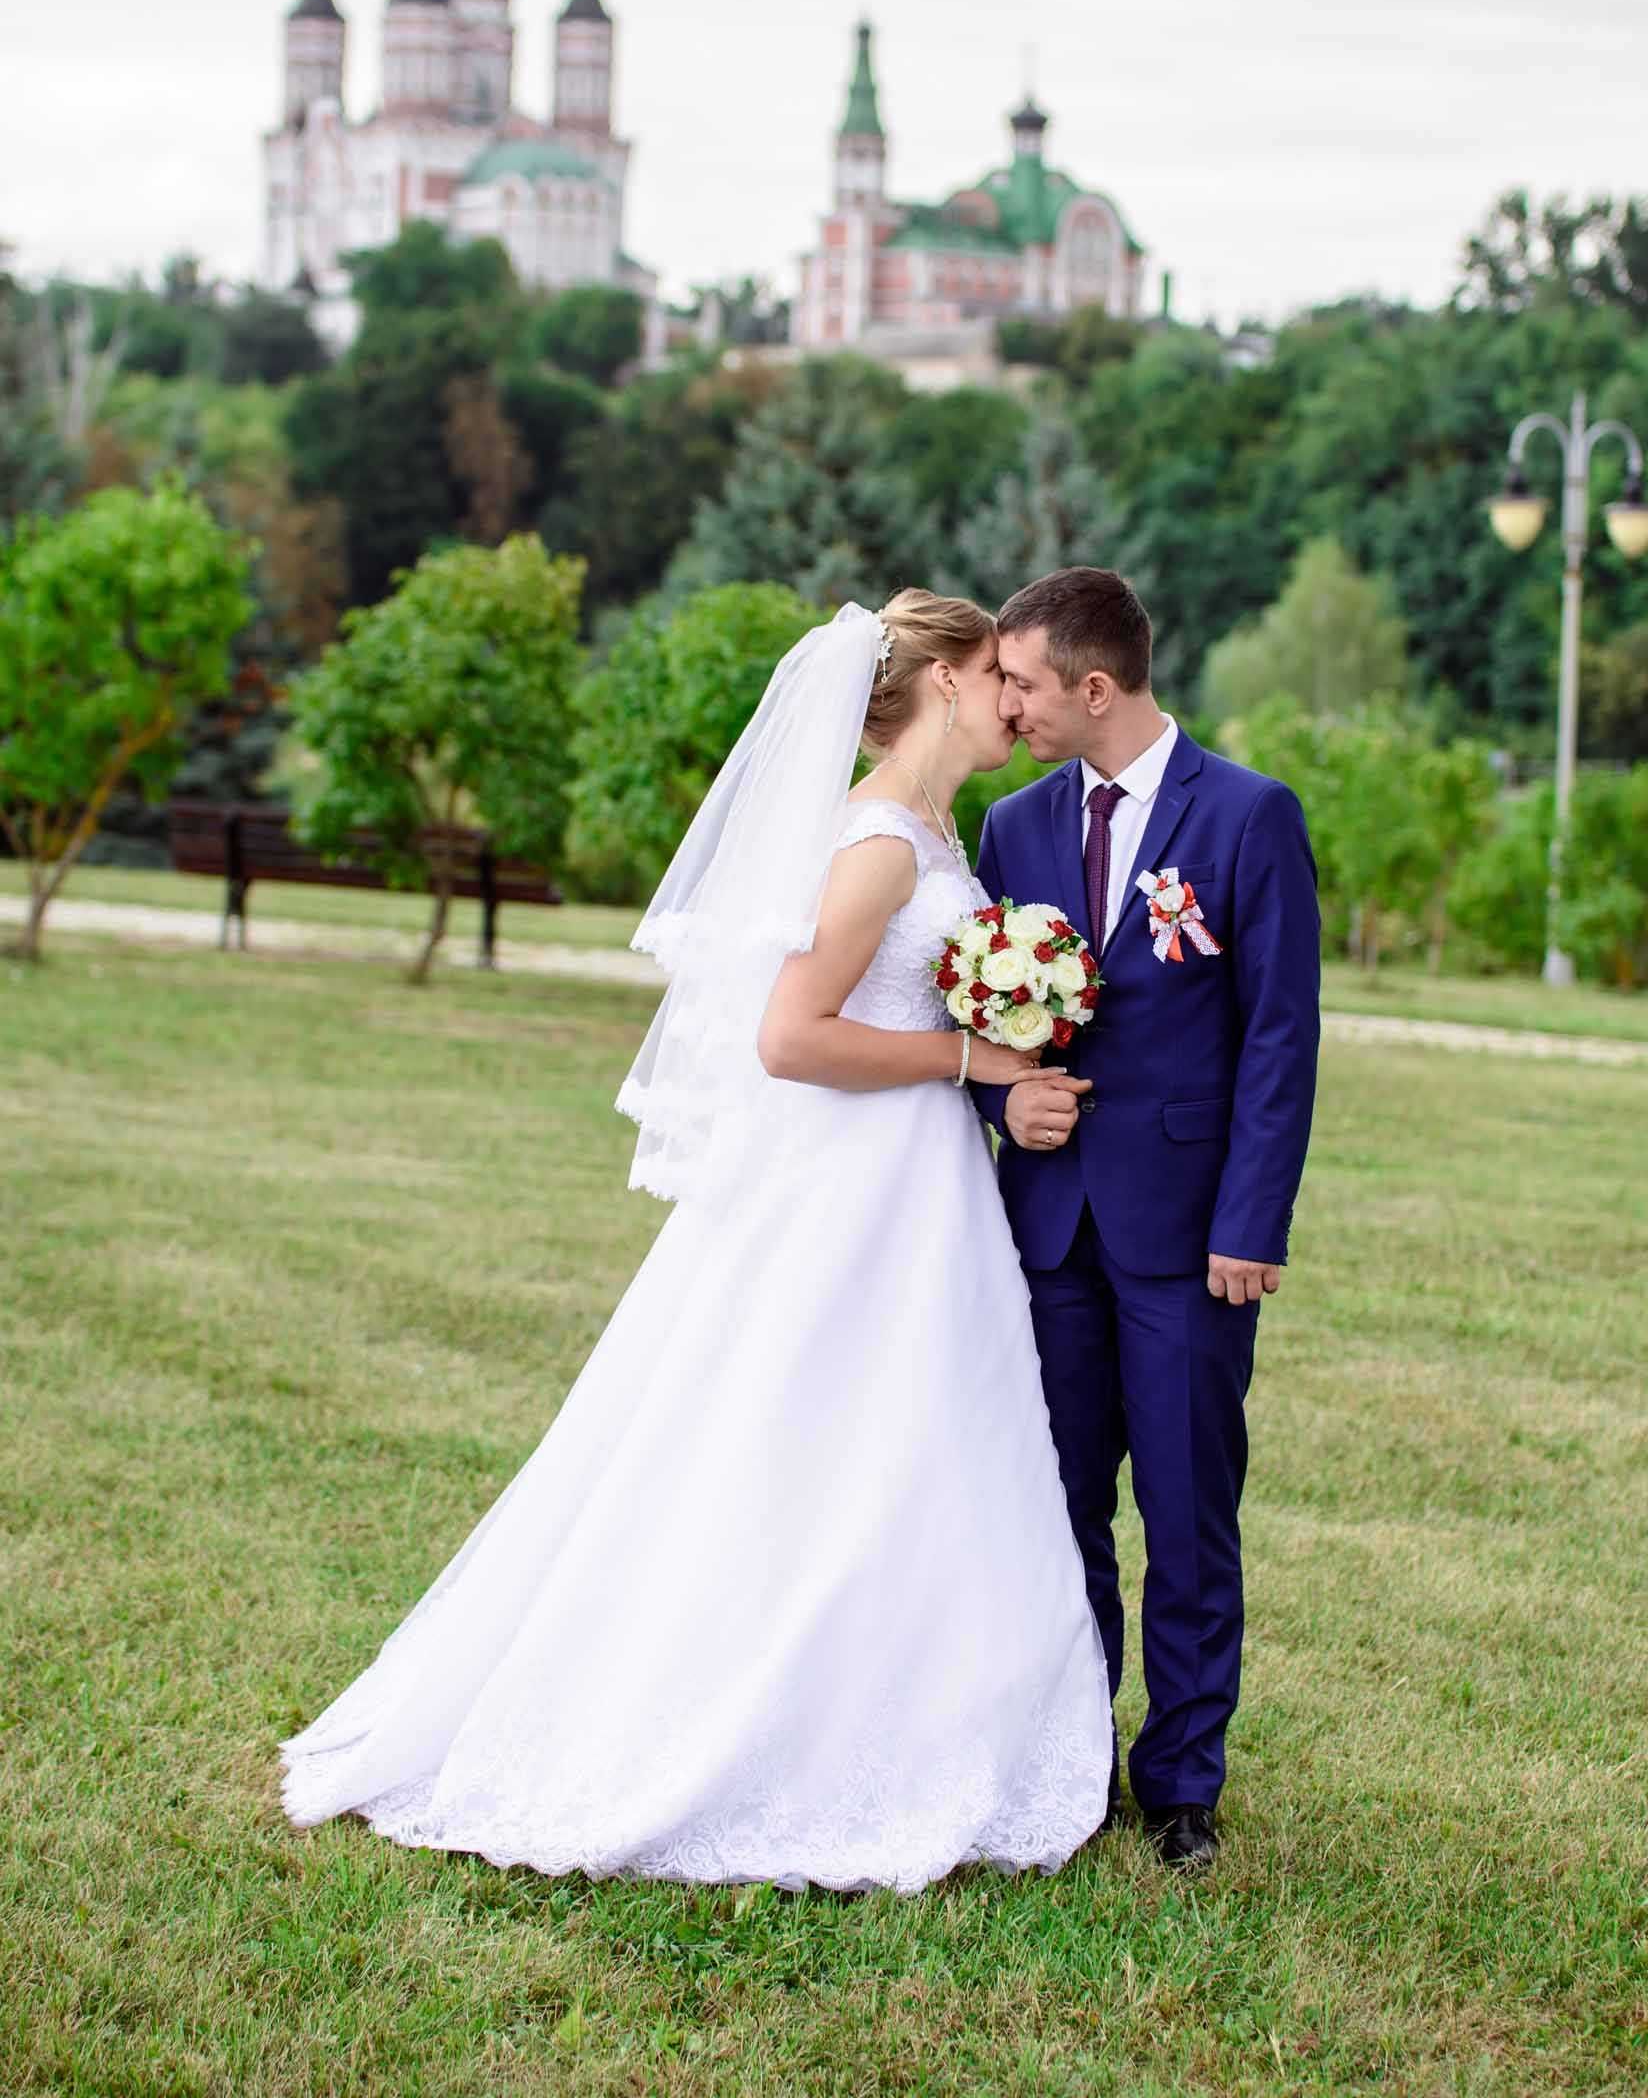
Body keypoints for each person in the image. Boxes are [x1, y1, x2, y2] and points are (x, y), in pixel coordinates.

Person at [278, 592, 1114, 1893]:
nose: (1020, 698)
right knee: (818, 1443)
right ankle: (762, 1719)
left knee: (908, 1448)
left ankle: (899, 1714)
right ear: (944, 680)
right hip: (854, 1187)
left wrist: (996, 1049)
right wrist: (971, 1056)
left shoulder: (937, 834)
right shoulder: (882, 845)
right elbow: (790, 1039)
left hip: (914, 1180)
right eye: (999, 673)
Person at [972, 567, 1320, 1873]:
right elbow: (996, 1030)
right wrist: (1014, 1112)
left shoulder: (1248, 818)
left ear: (1095, 687)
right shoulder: (1014, 830)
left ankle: (1181, 1782)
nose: (1007, 705)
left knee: (1186, 1511)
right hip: (1050, 1229)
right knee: (1056, 1505)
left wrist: (1252, 1221)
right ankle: (1069, 1759)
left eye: (1021, 682)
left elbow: (1281, 1038)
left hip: (1189, 1241)